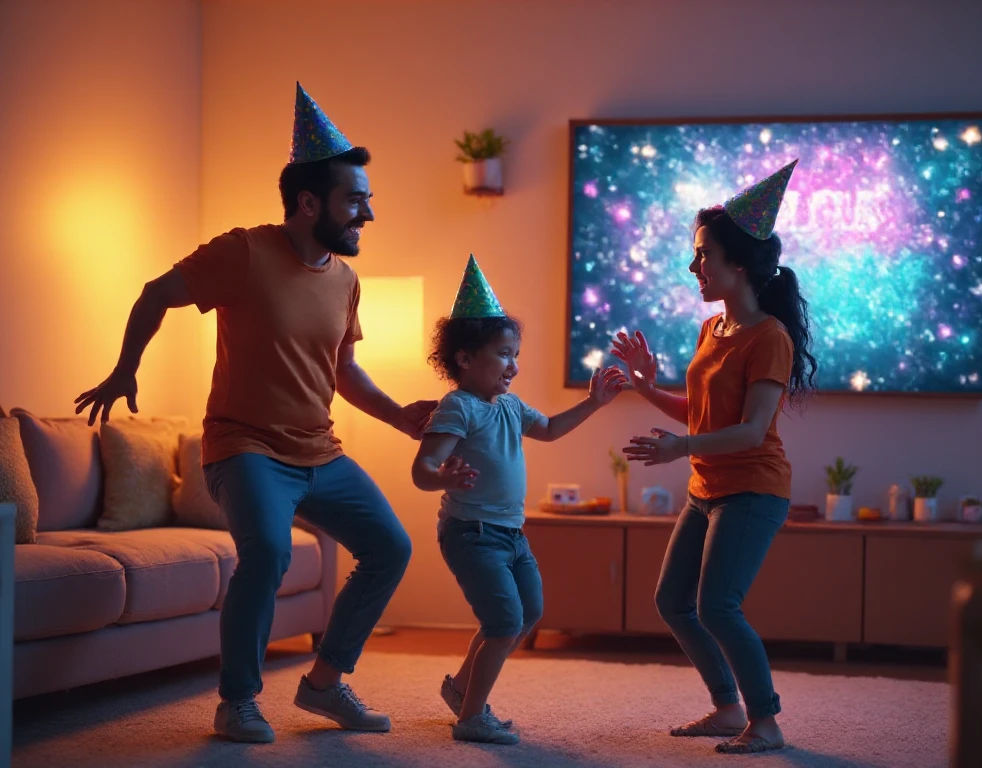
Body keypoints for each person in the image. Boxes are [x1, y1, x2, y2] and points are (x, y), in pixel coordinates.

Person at [74, 83, 436, 744]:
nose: (367, 215)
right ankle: (237, 700)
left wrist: (400, 417)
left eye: (367, 201)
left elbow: (343, 371)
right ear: (308, 202)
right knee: (267, 552)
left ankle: (324, 686)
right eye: (356, 201)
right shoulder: (243, 252)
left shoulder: (346, 280)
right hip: (244, 448)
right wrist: (127, 367)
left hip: (318, 451)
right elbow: (157, 293)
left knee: (391, 547)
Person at [616, 160, 817, 755]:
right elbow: (703, 415)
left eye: (703, 254)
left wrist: (682, 449)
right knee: (672, 601)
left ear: (740, 263)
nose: (693, 266)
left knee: (718, 606)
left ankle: (767, 722)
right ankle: (728, 709)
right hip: (708, 488)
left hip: (753, 489)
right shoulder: (714, 329)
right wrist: (646, 386)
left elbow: (752, 432)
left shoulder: (768, 337)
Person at [412, 255, 626, 745]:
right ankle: (471, 717)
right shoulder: (457, 406)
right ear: (465, 359)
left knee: (527, 614)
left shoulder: (509, 405)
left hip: (512, 533)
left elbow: (549, 429)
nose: (515, 365)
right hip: (472, 534)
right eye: (504, 354)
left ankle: (462, 687)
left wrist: (594, 403)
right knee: (503, 620)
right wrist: (443, 476)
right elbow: (422, 470)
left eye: (515, 354)